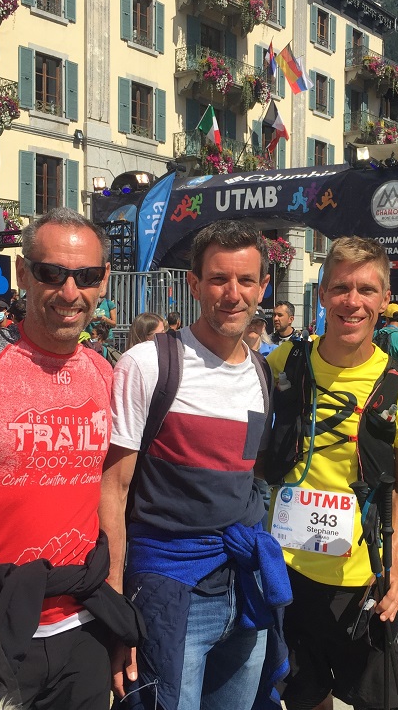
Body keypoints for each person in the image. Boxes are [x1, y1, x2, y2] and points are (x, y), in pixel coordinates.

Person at [0, 208, 139, 709]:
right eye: (52, 273)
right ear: (25, 274)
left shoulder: (105, 372)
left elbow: (109, 498)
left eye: (87, 276)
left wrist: (115, 608)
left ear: (103, 282)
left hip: (85, 629)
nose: (70, 292)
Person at [104, 219, 287, 710]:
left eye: (246, 280)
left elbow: (250, 475)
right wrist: (115, 596)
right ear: (194, 283)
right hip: (169, 586)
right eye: (218, 279)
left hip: (243, 588)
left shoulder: (260, 371)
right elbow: (114, 489)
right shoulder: (147, 364)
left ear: (263, 287)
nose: (232, 294)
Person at [265, 237, 398, 710]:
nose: (352, 302)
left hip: (363, 579)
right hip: (288, 571)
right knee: (304, 698)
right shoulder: (284, 363)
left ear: (384, 299)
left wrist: (395, 570)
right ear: (321, 294)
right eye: (340, 288)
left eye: (366, 290)